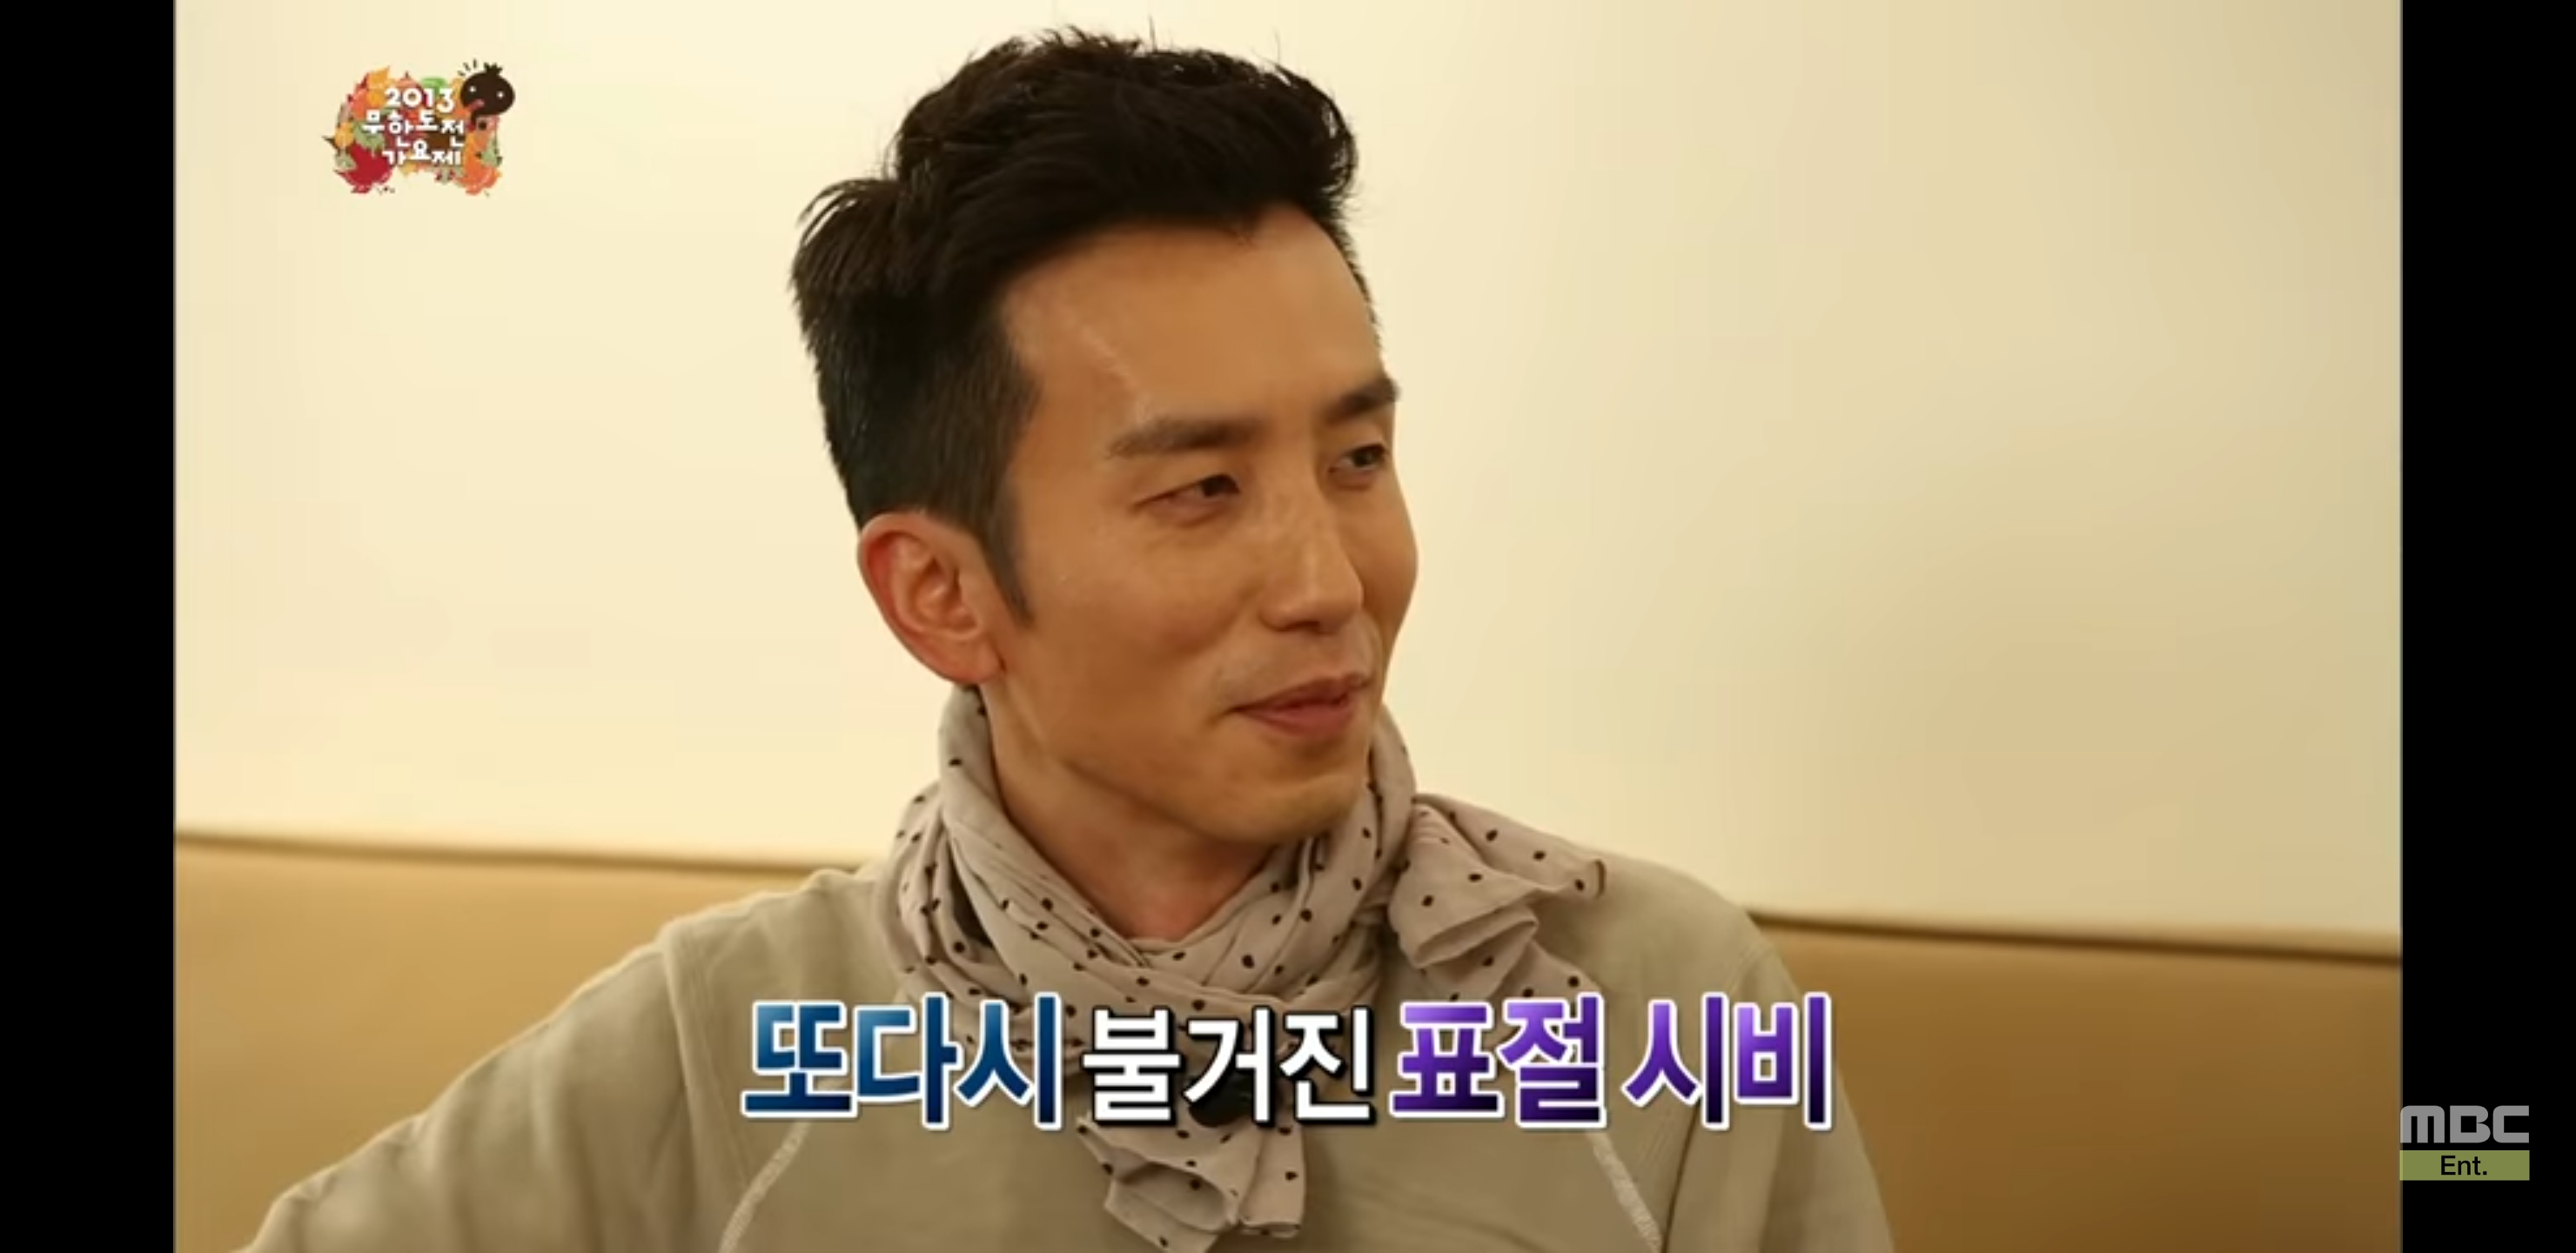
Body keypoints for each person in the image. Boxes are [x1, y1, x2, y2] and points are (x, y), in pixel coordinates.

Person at [245, 29, 1895, 1253]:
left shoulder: (1660, 1015)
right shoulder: (723, 1048)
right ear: (941, 595)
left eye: (1358, 457)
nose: (1330, 578)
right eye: (1202, 489)